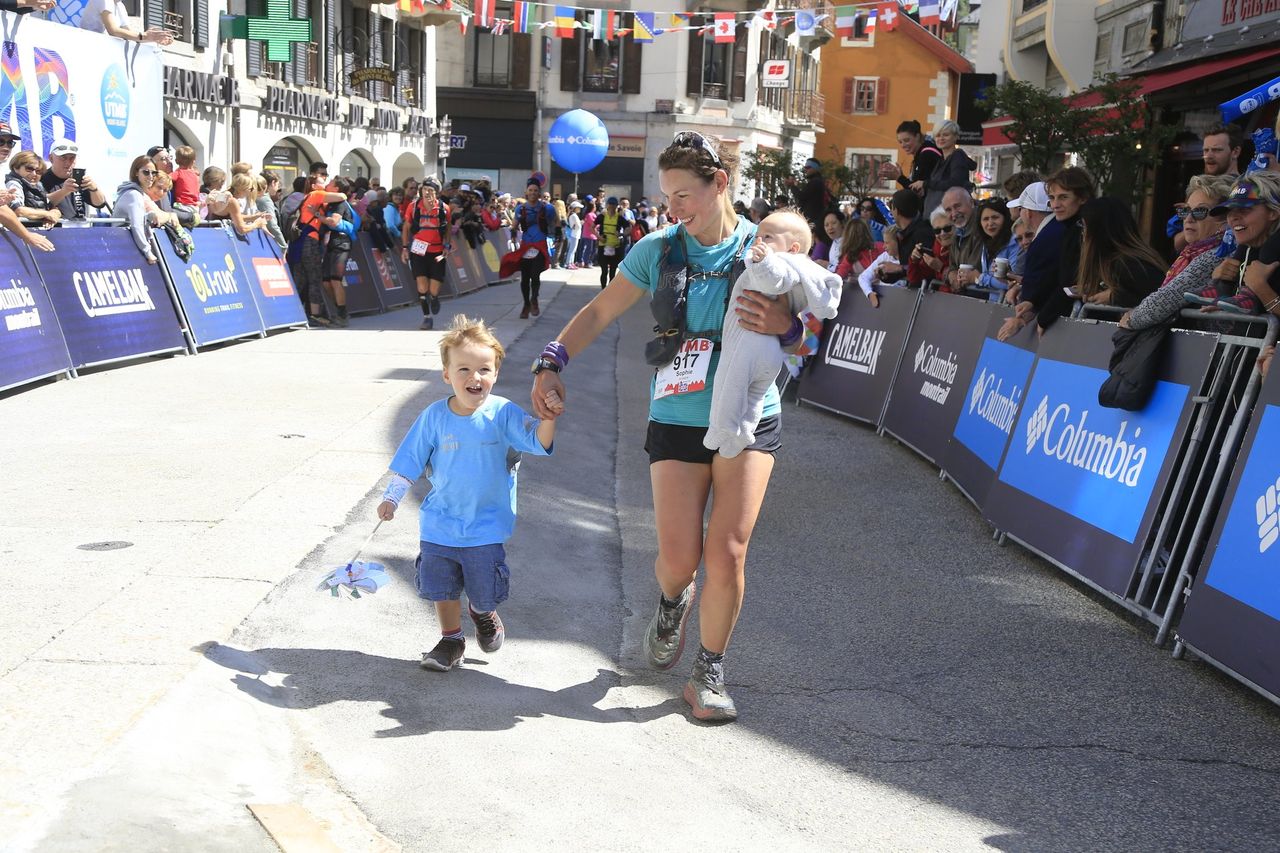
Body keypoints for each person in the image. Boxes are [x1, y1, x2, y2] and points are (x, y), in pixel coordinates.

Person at [529, 130, 799, 722]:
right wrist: (551, 361)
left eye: (684, 195)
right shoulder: (657, 249)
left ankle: (709, 672)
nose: (673, 208)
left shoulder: (766, 250)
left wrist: (786, 323)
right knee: (680, 561)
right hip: (677, 415)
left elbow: (811, 333)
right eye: (667, 196)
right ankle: (673, 600)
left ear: (720, 184)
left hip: (751, 418)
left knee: (727, 552)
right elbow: (601, 309)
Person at [378, 316, 561, 672]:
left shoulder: (504, 413)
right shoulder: (433, 417)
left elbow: (539, 441)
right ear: (447, 374)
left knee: (482, 590)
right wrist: (392, 497)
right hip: (440, 523)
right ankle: (450, 641)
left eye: (483, 370)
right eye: (463, 369)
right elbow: (409, 462)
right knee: (441, 587)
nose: (473, 378)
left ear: (495, 374)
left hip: (485, 527)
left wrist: (549, 417)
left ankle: (482, 611)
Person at [704, 209, 841, 458]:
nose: (759, 241)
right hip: (771, 353)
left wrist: (762, 262)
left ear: (793, 247)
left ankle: (722, 428)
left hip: (750, 344)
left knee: (730, 385)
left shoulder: (780, 262)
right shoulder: (802, 267)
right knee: (754, 395)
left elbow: (774, 281)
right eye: (758, 235)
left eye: (767, 237)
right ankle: (744, 430)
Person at [1123, 174, 1232, 330]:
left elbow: (1167, 299)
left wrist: (1131, 320)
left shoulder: (1216, 255)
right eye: (1185, 211)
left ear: (1224, 219)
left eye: (1200, 211)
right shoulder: (1189, 254)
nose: (1189, 218)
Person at [1201, 173, 1280, 315]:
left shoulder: (1271, 248)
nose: (1233, 217)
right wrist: (1224, 292)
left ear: (1273, 212)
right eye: (1230, 210)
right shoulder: (1247, 249)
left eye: (1244, 209)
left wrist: (1261, 288)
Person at [997, 182, 1065, 339]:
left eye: (1020, 210)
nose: (1018, 215)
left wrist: (1020, 319)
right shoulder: (1063, 228)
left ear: (1028, 213)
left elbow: (1043, 286)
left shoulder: (1043, 241)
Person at [1069, 197, 1164, 310]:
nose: (1083, 234)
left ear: (1099, 231)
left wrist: (1113, 296)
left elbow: (1158, 296)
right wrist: (1099, 289)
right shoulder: (1120, 261)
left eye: (1084, 227)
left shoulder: (1128, 263)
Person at [296, 173, 347, 327]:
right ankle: (315, 314)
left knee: (302, 277)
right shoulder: (317, 194)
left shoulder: (310, 196)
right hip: (310, 240)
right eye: (322, 181)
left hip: (301, 241)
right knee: (314, 278)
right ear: (313, 185)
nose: (325, 182)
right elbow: (342, 195)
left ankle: (299, 312)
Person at [401, 177, 451, 330]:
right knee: (422, 287)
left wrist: (447, 245)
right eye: (424, 190)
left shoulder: (444, 208)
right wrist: (404, 248)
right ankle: (427, 317)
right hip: (418, 251)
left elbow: (448, 228)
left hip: (437, 252)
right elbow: (406, 228)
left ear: (437, 193)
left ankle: (434, 298)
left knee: (434, 289)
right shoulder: (414, 206)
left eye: (431, 190)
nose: (427, 193)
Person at [505, 178, 556, 318]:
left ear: (539, 193)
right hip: (526, 245)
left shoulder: (548, 208)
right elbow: (514, 225)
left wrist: (554, 237)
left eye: (535, 191)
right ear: (526, 192)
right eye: (530, 190)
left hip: (540, 245)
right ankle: (526, 304)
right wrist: (513, 232)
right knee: (525, 277)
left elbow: (555, 223)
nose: (533, 193)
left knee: (535, 274)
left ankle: (534, 299)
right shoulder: (520, 208)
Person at [319, 177, 359, 327]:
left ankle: (342, 315)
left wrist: (318, 216)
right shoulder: (330, 202)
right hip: (331, 244)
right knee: (326, 282)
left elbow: (334, 222)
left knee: (335, 280)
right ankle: (340, 310)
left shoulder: (340, 203)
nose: (327, 185)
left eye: (330, 183)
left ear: (336, 189)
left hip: (342, 243)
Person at [963, 198, 1020, 301]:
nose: (990, 223)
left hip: (1011, 306)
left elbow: (1012, 283)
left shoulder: (1016, 243)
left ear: (1005, 218)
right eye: (985, 219)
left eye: (995, 217)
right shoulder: (987, 243)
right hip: (994, 305)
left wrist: (979, 278)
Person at [41, 138, 108, 221]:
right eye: (63, 158)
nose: (68, 162)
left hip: (80, 230)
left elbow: (100, 204)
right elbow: (40, 204)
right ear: (51, 158)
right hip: (54, 230)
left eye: (72, 158)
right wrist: (63, 191)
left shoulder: (79, 178)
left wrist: (94, 189)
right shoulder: (41, 179)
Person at [114, 155, 162, 264]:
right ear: (136, 173)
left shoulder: (135, 193)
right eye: (146, 172)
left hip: (124, 246)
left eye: (153, 173)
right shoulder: (134, 194)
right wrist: (148, 251)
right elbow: (136, 225)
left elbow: (134, 219)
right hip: (122, 248)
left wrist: (149, 215)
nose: (150, 176)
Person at [923, 120, 976, 217]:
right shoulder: (941, 161)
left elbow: (955, 183)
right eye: (938, 135)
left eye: (946, 135)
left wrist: (927, 184)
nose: (941, 138)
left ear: (955, 137)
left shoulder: (957, 157)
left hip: (949, 215)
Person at [879, 120, 943, 198]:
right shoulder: (922, 153)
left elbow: (918, 191)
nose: (903, 145)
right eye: (900, 142)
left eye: (906, 140)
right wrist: (900, 176)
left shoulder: (927, 155)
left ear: (917, 136)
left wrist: (899, 177)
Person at [4, 150, 61, 228]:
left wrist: (53, 215)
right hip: (17, 234)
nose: (34, 174)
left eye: (38, 171)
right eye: (29, 169)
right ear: (16, 168)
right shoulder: (13, 184)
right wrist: (46, 214)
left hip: (39, 231)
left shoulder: (39, 185)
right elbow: (18, 210)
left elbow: (53, 208)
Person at [834, 217, 879, 307]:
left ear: (848, 236)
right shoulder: (880, 247)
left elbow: (838, 278)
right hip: (882, 294)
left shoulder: (849, 257)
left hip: (858, 301)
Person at [907, 208, 953, 291]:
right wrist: (914, 261)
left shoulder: (963, 246)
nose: (942, 234)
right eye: (937, 230)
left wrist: (941, 268)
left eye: (947, 228)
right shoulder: (937, 247)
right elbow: (915, 279)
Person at [888, 187, 933, 273]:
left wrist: (900, 268)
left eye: (891, 207)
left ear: (896, 210)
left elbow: (928, 267)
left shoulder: (923, 233)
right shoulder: (905, 234)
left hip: (922, 285)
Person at [595, 196, 627, 289]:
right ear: (607, 205)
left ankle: (609, 291)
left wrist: (621, 234)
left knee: (612, 271)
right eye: (610, 204)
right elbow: (592, 227)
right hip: (603, 246)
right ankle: (603, 289)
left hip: (615, 247)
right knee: (604, 271)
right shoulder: (602, 216)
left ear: (617, 206)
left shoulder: (620, 218)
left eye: (614, 205)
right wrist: (599, 237)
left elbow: (628, 228)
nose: (612, 207)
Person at [861, 224, 902, 295]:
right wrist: (869, 293)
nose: (884, 246)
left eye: (887, 243)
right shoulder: (884, 257)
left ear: (898, 241)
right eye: (884, 242)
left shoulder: (911, 259)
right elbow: (863, 277)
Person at [255, 174, 288, 250]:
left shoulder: (259, 198)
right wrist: (283, 246)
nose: (277, 189)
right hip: (267, 243)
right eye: (277, 185)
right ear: (273, 183)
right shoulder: (265, 200)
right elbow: (272, 226)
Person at [563, 200, 583, 270]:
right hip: (574, 235)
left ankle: (571, 263)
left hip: (575, 234)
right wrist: (581, 223)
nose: (579, 209)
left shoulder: (573, 215)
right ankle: (568, 263)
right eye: (578, 208)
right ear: (575, 208)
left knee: (573, 250)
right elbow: (577, 225)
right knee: (571, 250)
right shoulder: (574, 215)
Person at [578, 201, 598, 268]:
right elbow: (593, 224)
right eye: (594, 206)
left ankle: (590, 261)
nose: (595, 207)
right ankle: (586, 262)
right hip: (588, 235)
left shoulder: (594, 214)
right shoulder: (589, 215)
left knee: (593, 250)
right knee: (589, 250)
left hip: (594, 235)